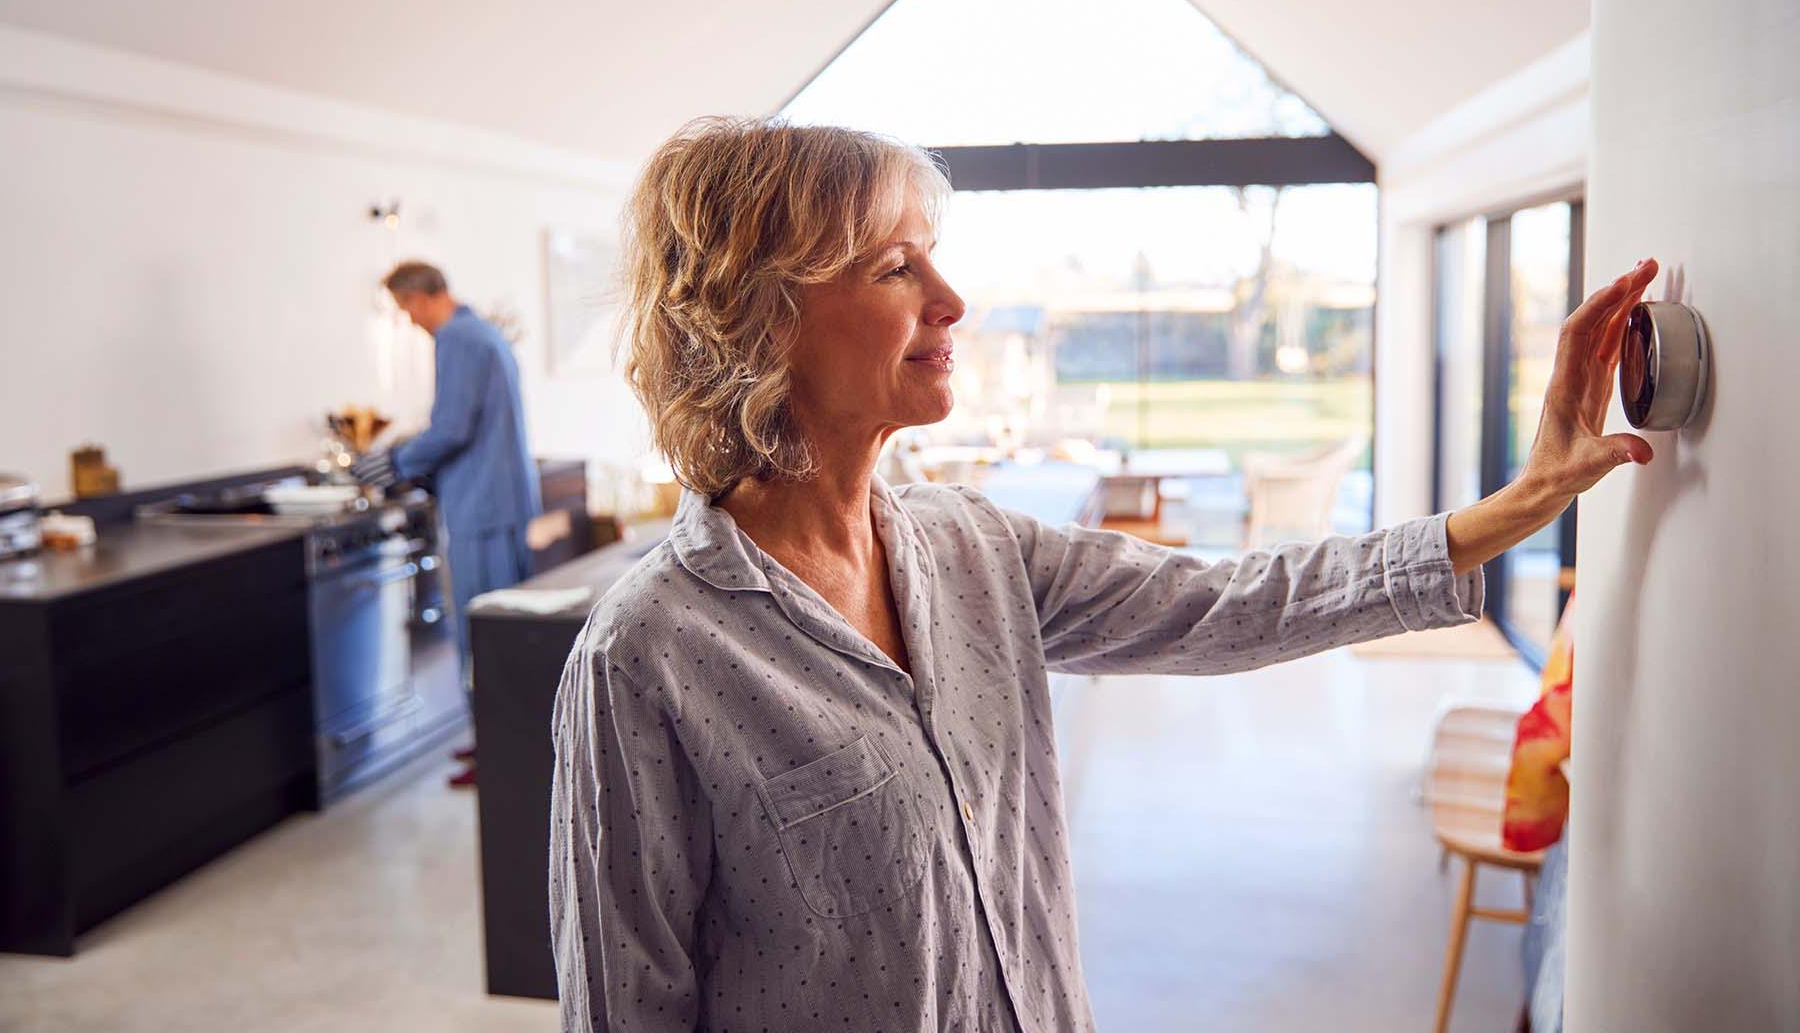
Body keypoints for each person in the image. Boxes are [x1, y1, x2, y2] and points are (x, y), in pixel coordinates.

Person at [547, 116, 1658, 1031]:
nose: (951, 298)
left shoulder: (970, 546)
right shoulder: (649, 658)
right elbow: (624, 1013)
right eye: (896, 266)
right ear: (760, 319)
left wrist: (1512, 510)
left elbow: (1232, 603)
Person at [353, 260, 541, 788]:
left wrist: (393, 462)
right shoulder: (485, 333)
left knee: (483, 633)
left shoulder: (457, 339)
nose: (408, 322)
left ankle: (500, 755)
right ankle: (497, 742)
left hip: (481, 508)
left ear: (417, 299)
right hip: (501, 502)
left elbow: (452, 428)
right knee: (500, 629)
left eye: (404, 309)